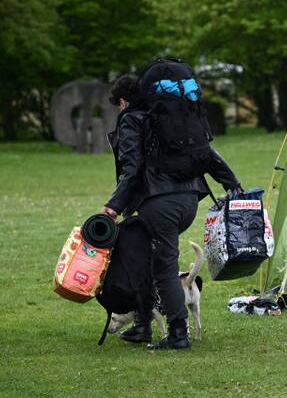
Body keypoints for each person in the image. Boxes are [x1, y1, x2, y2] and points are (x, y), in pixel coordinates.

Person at [102, 71, 241, 350]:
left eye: (118, 104)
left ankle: (178, 334)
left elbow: (132, 168)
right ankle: (142, 324)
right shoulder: (170, 119)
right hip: (189, 199)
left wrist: (112, 207)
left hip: (159, 203)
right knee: (143, 257)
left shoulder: (132, 120)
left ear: (124, 101)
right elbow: (208, 154)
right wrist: (232, 184)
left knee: (164, 265)